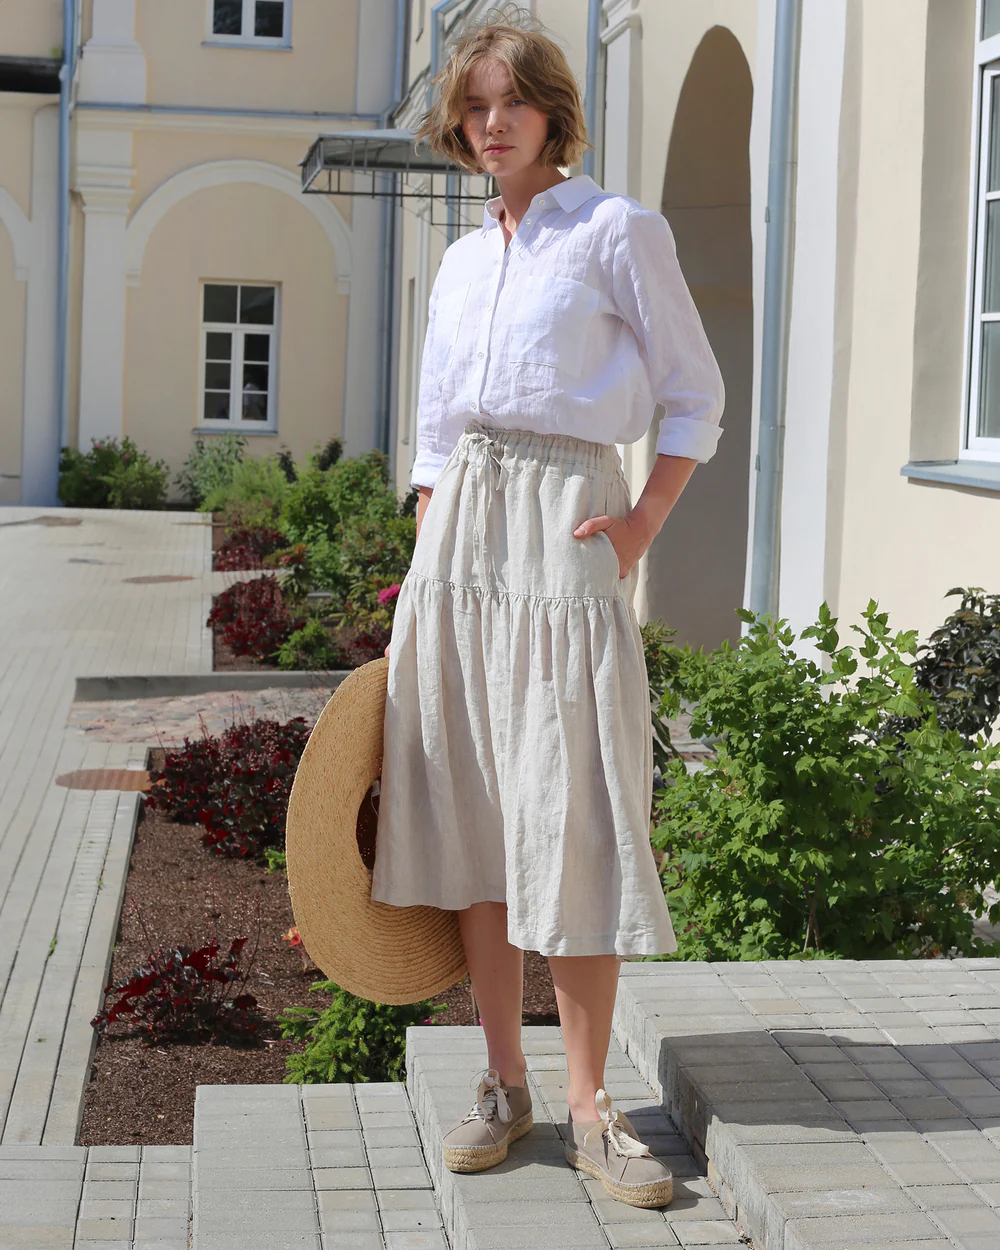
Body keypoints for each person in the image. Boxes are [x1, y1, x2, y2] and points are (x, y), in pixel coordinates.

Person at [372, 8, 724, 1209]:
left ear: (551, 112)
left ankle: (588, 1106)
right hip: (462, 537)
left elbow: (694, 395)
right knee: (475, 806)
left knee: (569, 806)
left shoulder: (616, 230)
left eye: (510, 101)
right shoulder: (463, 260)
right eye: (473, 106)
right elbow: (434, 428)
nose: (491, 123)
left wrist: (639, 525)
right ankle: (504, 1081)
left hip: (569, 519)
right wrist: (431, 532)